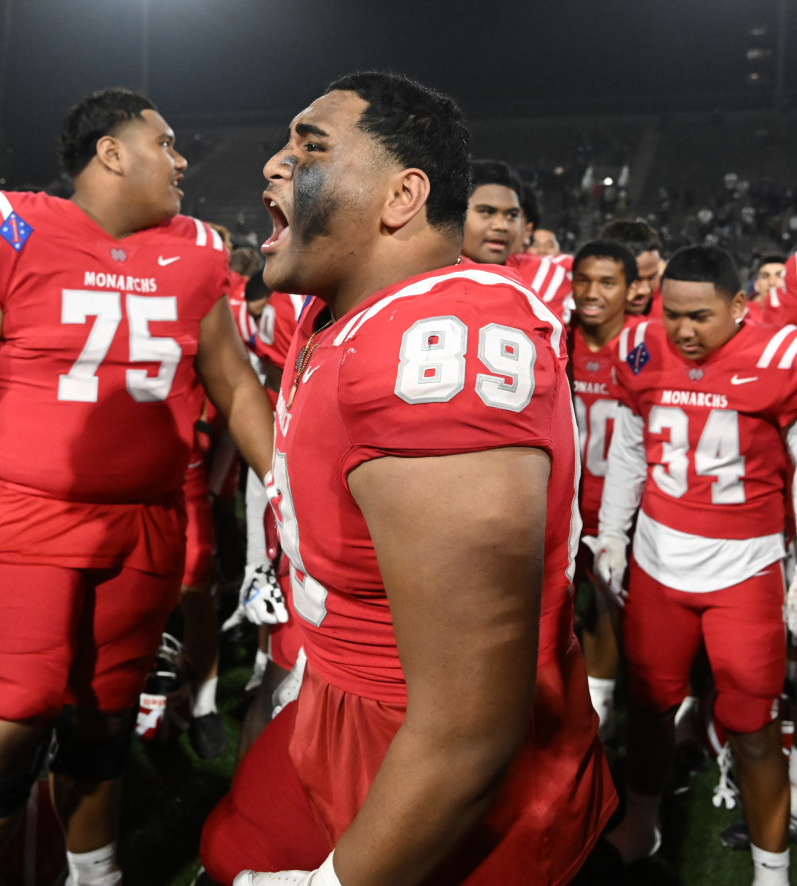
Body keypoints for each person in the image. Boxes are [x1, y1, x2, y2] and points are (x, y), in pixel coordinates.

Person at [200, 70, 613, 886]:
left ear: (401, 196)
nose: (273, 168)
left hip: (439, 761)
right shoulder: (343, 315)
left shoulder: (439, 337)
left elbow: (468, 725)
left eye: (309, 147)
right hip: (338, 700)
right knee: (229, 850)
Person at [0, 87, 274, 886]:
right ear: (111, 153)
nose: (181, 158)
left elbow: (232, 382)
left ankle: (96, 875)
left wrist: (289, 496)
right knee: (3, 726)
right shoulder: (7, 226)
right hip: (27, 516)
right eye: (164, 141)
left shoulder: (195, 247)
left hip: (148, 523)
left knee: (106, 723)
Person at [593, 245, 795, 884]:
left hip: (744, 569)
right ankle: (643, 824)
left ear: (740, 306)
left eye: (700, 316)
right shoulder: (641, 348)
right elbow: (629, 449)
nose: (683, 330)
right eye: (672, 313)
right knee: (650, 705)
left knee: (751, 723)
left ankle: (771, 869)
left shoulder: (779, 357)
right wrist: (610, 538)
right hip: (657, 561)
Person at [568, 238, 642, 743]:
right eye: (584, 280)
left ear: (632, 290)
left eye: (607, 282)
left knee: (612, 614)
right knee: (564, 611)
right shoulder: (554, 336)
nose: (592, 293)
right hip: (564, 506)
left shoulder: (647, 345)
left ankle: (605, 709)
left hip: (623, 512)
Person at [461, 159, 571, 319]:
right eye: (486, 212)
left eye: (512, 215)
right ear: (456, 214)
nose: (502, 225)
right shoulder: (429, 267)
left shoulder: (542, 274)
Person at [599, 218, 665, 317]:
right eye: (635, 280)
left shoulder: (672, 313)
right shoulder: (573, 317)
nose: (644, 290)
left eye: (652, 277)